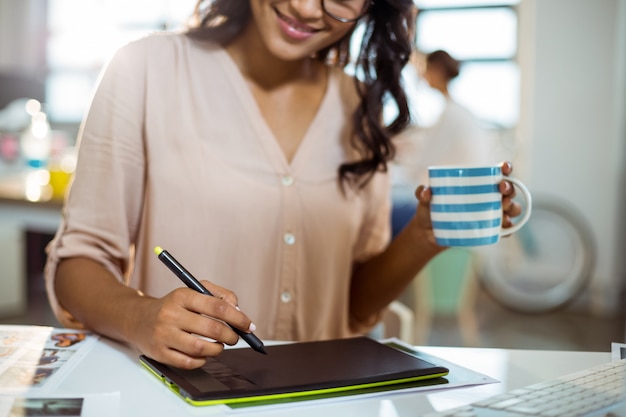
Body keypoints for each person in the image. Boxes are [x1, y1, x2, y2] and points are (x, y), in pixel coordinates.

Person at [44, 0, 521, 370]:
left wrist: (422, 236)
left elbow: (351, 304)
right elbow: (77, 264)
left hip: (326, 400)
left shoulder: (360, 108)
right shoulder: (145, 68)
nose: (308, 9)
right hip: (178, 397)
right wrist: (140, 317)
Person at [391, 49, 500, 235]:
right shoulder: (457, 112)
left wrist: (398, 157)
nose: (422, 76)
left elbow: (423, 163)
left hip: (454, 207)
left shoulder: (451, 114)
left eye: (426, 69)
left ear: (437, 70)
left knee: (387, 214)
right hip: (461, 202)